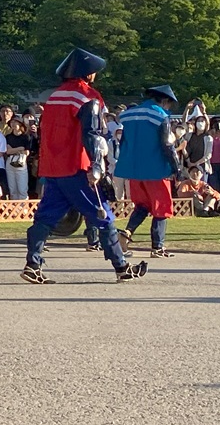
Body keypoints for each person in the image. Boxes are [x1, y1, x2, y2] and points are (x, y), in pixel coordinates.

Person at [21, 48, 146, 284]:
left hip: (53, 167)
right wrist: (97, 165)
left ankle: (33, 263)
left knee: (45, 218)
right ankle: (121, 266)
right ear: (87, 74)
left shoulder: (54, 96)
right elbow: (93, 134)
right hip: (77, 166)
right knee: (103, 216)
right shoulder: (87, 96)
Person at [114, 85, 183, 258]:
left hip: (134, 169)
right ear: (164, 100)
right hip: (156, 168)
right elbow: (167, 145)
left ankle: (126, 234)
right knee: (162, 207)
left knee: (143, 206)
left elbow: (123, 142)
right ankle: (157, 247)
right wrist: (177, 169)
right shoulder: (160, 115)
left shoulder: (128, 115)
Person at [3, 116, 32, 200]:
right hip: (10, 161)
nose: (13, 124)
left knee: (22, 188)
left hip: (21, 161)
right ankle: (13, 209)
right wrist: (20, 148)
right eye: (11, 122)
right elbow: (8, 151)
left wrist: (15, 150)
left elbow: (27, 152)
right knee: (12, 188)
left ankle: (23, 208)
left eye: (15, 122)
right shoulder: (8, 137)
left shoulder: (26, 137)